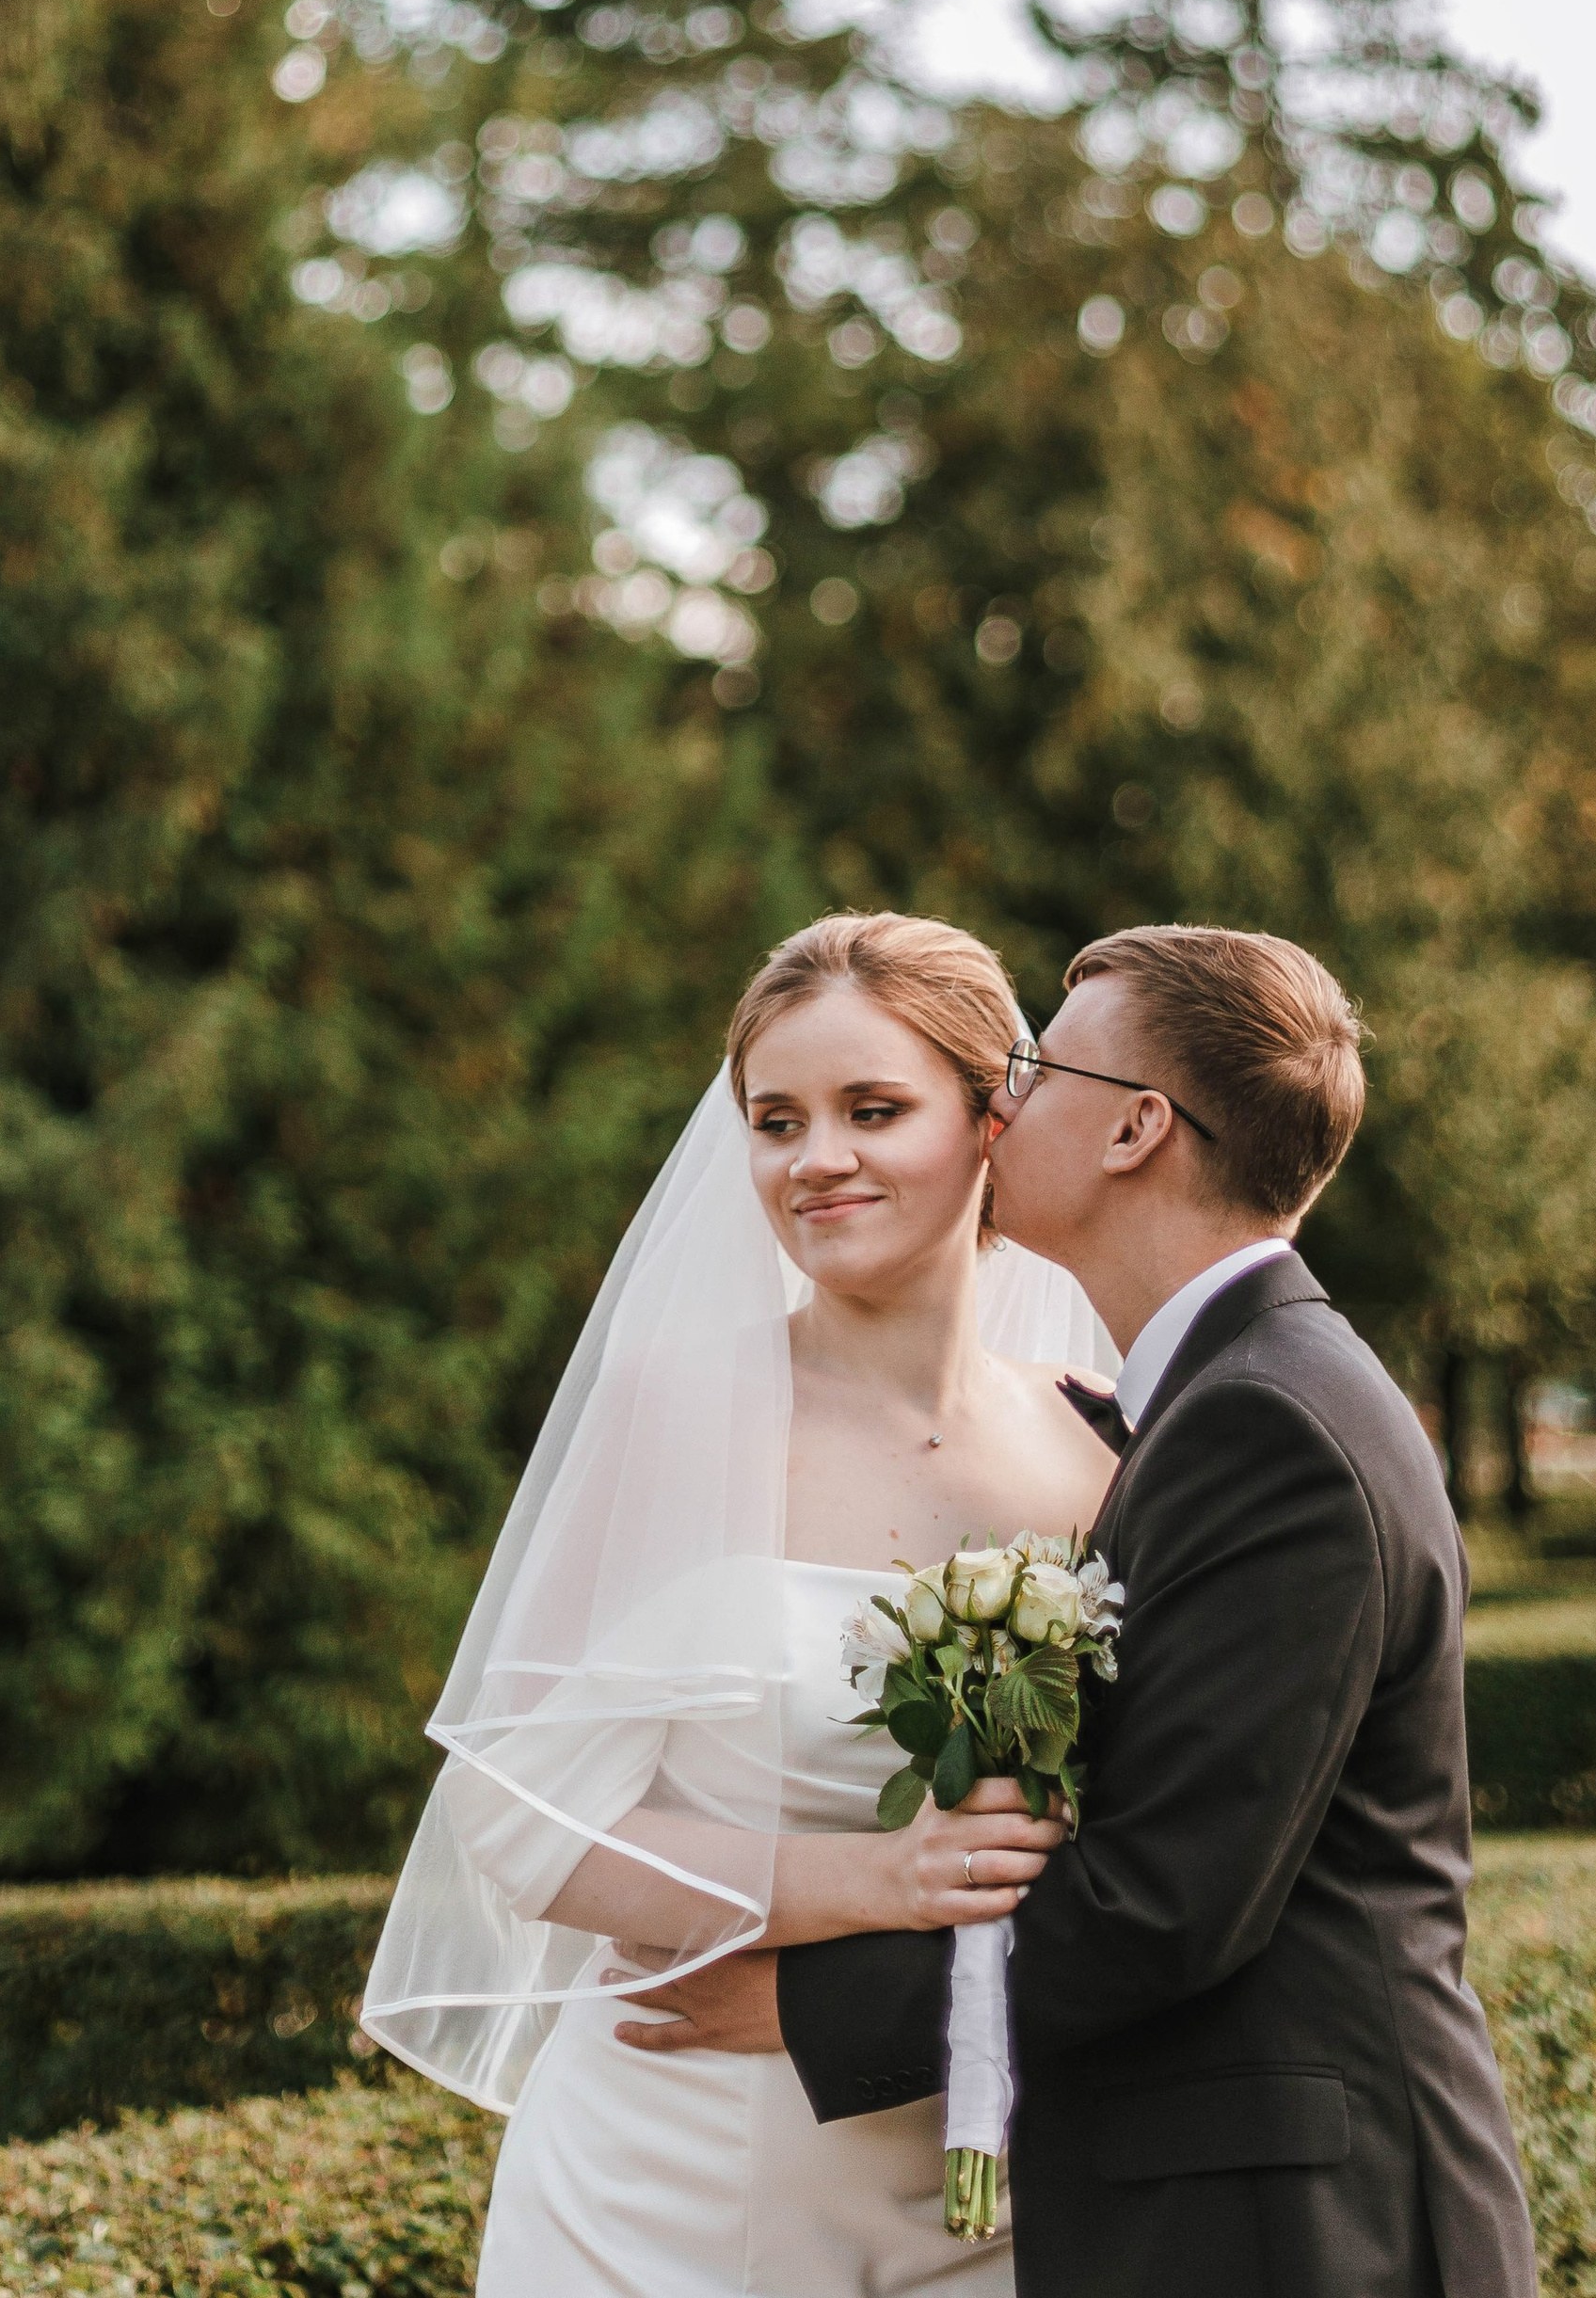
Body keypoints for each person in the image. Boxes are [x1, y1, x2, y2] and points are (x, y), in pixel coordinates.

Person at [766, 920, 1541, 2298]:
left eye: (1036, 1071)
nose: (999, 1104)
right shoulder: (1217, 1398)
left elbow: (1159, 1904)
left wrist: (787, 2005)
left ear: (1135, 1130)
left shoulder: (1264, 1423)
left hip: (1302, 2228)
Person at [359, 909, 1119, 2294]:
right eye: (776, 1119)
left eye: (872, 1108)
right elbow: (510, 1810)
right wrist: (876, 1877)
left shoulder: (1097, 1442)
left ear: (991, 1116)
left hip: (980, 2193)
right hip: (666, 2183)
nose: (815, 1158)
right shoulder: (679, 1413)